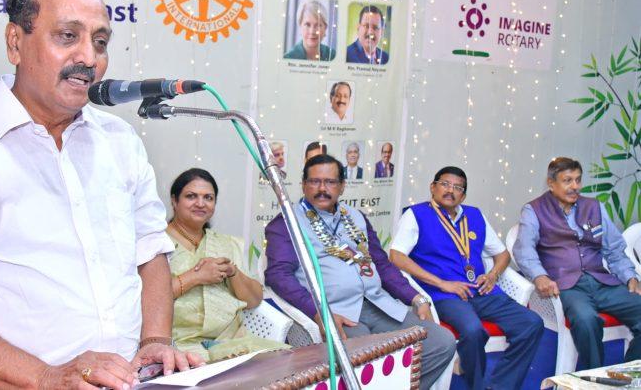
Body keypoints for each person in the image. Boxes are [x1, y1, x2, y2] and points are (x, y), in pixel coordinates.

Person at [0, 0, 202, 390]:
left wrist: (155, 341)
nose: (89, 57)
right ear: (15, 43)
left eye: (100, 42)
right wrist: (46, 378)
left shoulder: (121, 141)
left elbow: (149, 252)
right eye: (67, 36)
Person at [265, 154, 456, 390]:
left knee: (441, 343)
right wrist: (319, 312)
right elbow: (278, 275)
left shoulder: (356, 217)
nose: (322, 189)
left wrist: (416, 298)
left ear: (342, 186)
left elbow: (381, 264)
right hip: (337, 310)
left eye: (330, 182)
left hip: (378, 303)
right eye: (314, 181)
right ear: (304, 185)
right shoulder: (286, 222)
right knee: (368, 359)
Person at [390, 167, 543, 390]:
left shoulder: (475, 215)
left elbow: (502, 254)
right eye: (445, 184)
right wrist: (442, 283)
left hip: (481, 291)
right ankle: (476, 385)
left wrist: (492, 275)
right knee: (473, 330)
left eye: (457, 187)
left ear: (463, 195)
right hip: (443, 294)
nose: (450, 190)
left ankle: (501, 386)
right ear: (433, 187)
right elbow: (396, 256)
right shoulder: (416, 215)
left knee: (532, 323)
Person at [514, 157, 641, 370]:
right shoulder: (534, 210)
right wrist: (539, 275)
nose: (575, 186)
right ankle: (595, 377)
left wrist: (630, 277)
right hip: (567, 287)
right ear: (551, 183)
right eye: (567, 180)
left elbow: (614, 249)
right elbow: (524, 249)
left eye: (578, 180)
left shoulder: (594, 207)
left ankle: (629, 373)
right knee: (586, 320)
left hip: (602, 282)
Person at [166, 169, 289, 362]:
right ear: (174, 201)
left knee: (291, 365)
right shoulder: (156, 244)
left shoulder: (228, 244)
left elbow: (254, 300)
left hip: (232, 343)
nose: (200, 203)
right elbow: (143, 300)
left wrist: (233, 272)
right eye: (191, 196)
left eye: (208, 197)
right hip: (177, 346)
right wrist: (195, 277)